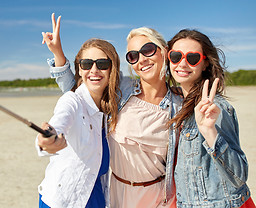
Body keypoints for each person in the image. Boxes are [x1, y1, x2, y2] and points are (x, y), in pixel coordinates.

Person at [42, 13, 182, 207]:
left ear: (164, 51)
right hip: (116, 192)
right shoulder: (122, 90)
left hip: (157, 195)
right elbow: (79, 92)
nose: (142, 59)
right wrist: (58, 54)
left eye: (148, 50)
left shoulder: (179, 104)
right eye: (133, 55)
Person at [167, 29, 255, 208]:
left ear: (205, 64)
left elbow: (239, 175)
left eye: (192, 58)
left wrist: (209, 131)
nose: (182, 63)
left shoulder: (215, 108)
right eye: (176, 56)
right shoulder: (177, 104)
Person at [36, 36, 121, 207]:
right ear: (80, 70)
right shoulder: (72, 101)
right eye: (87, 64)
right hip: (63, 200)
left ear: (112, 69)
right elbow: (59, 122)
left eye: (102, 64)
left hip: (96, 197)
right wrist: (47, 141)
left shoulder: (110, 109)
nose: (94, 70)